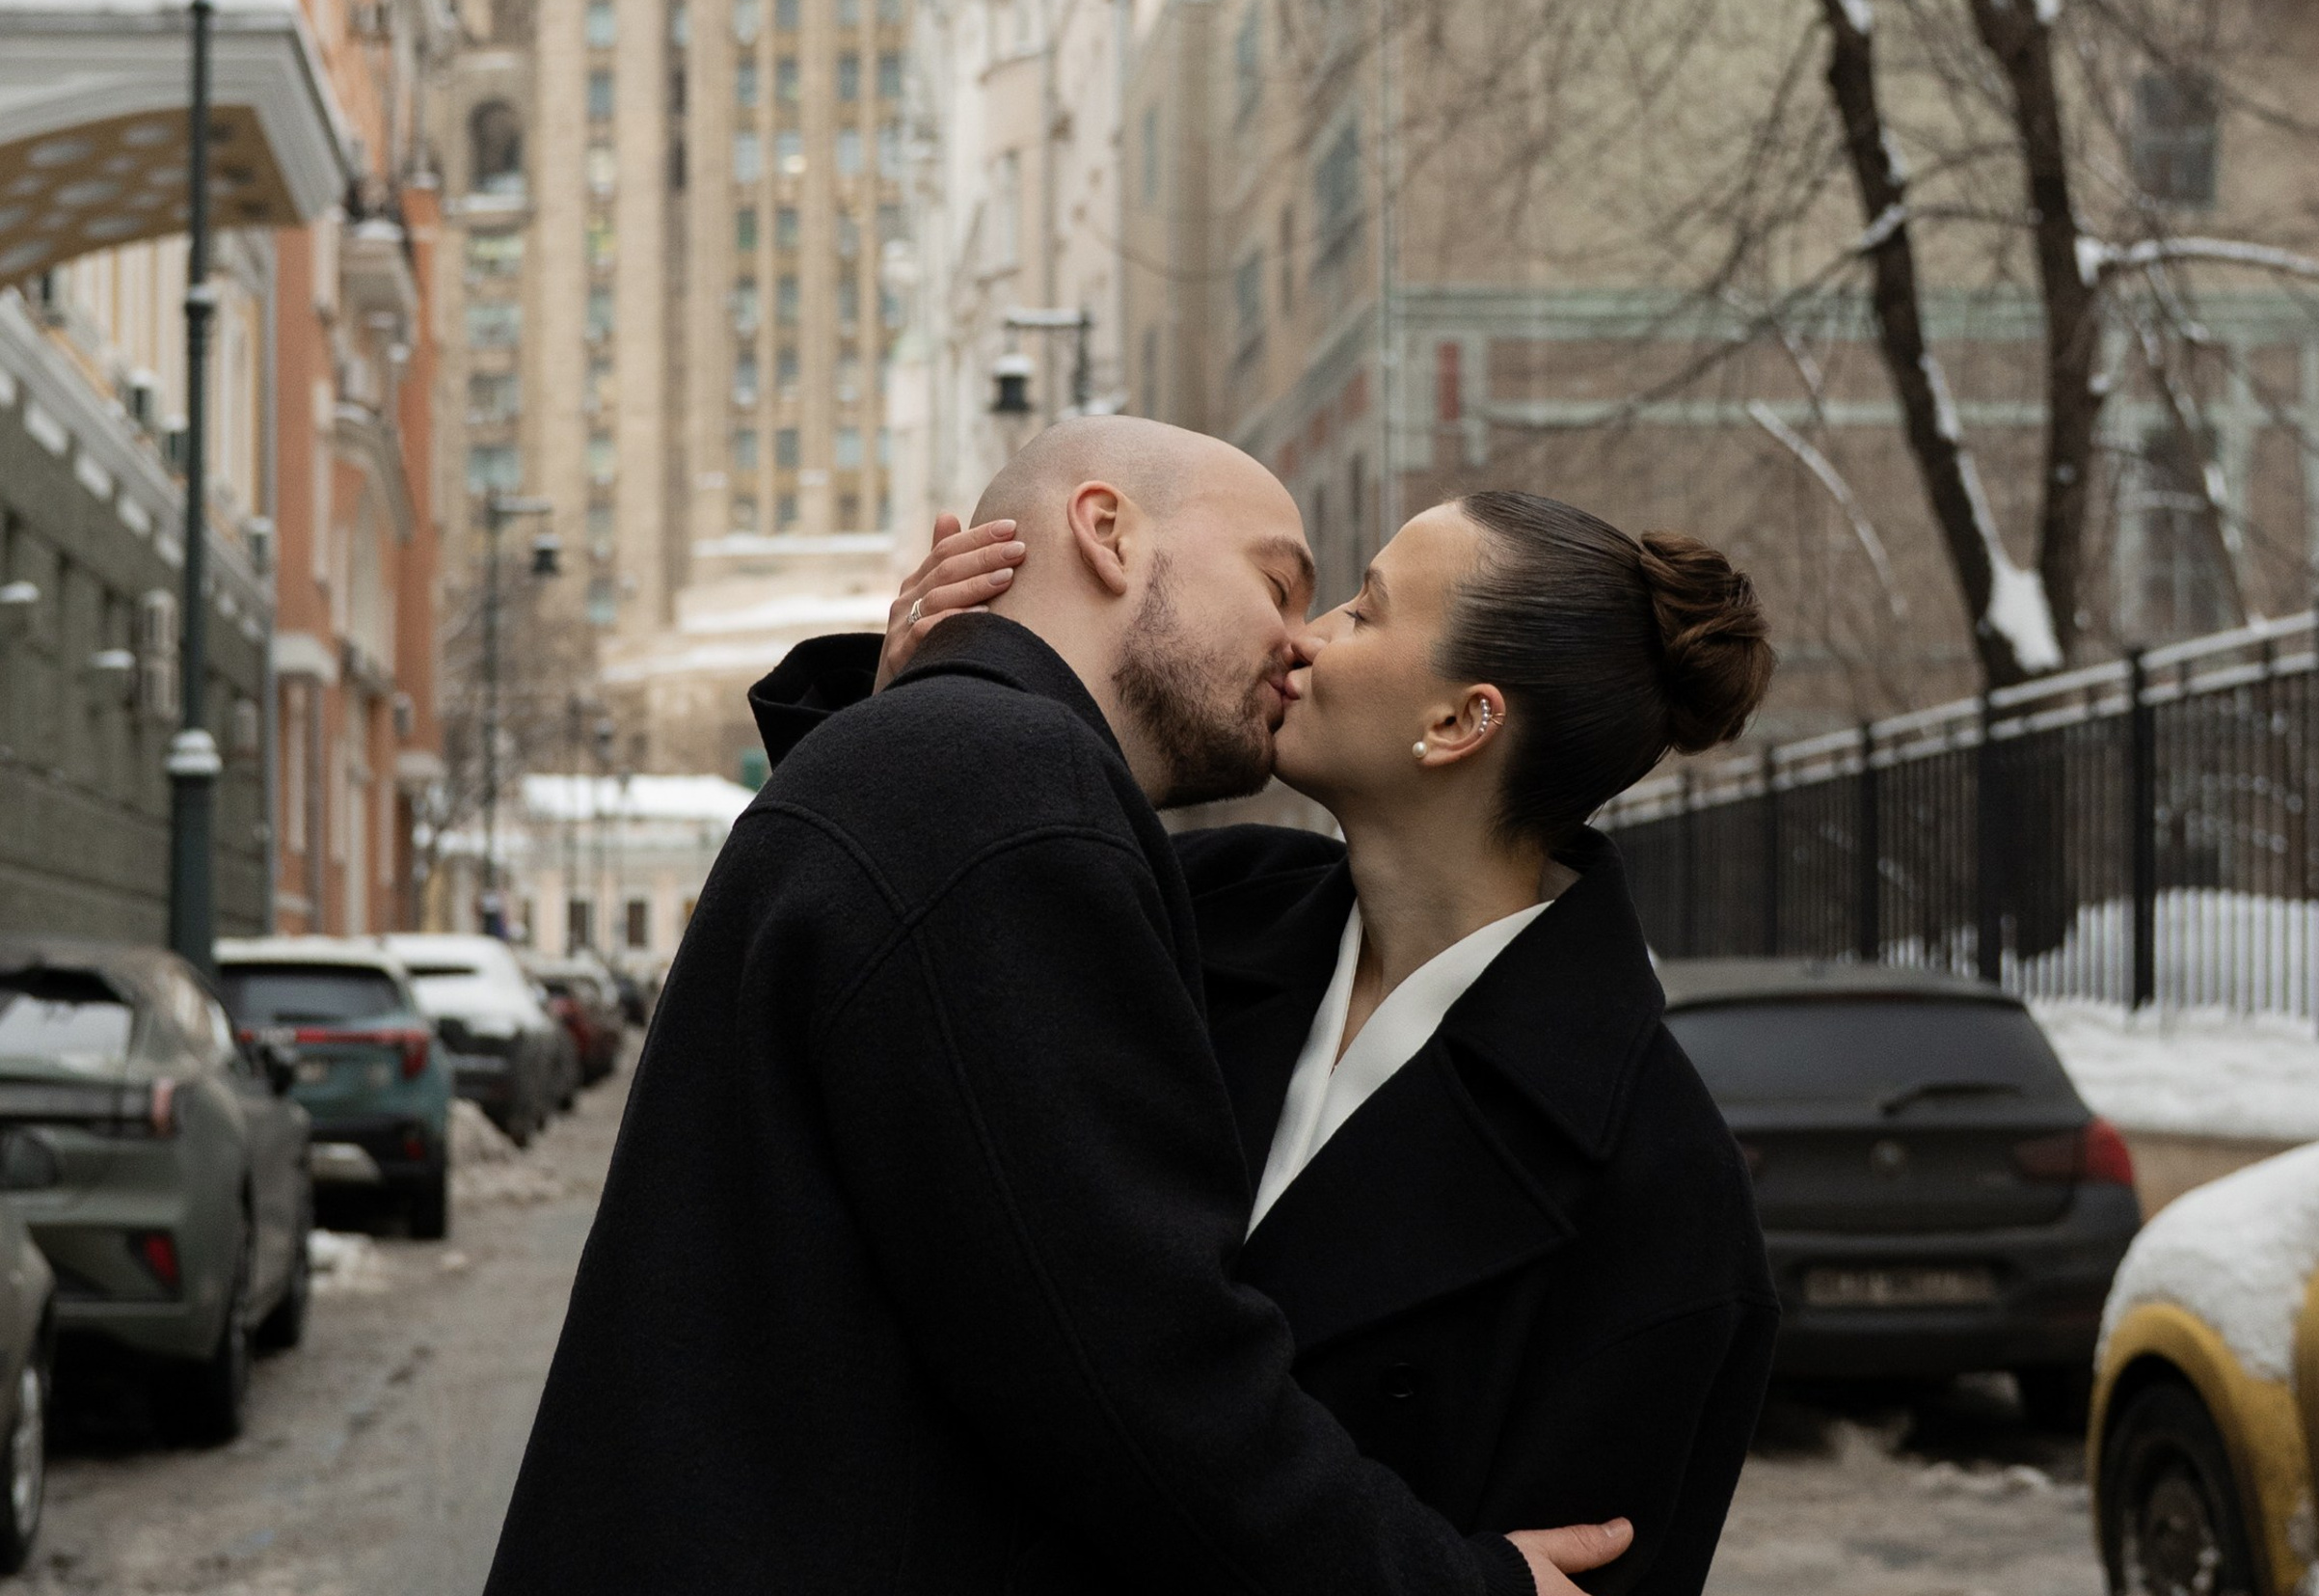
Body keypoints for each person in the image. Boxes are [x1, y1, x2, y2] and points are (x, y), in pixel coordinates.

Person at [484, 417, 1630, 1596]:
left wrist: (905, 711)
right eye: (1278, 582)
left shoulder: (956, 774)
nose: (1298, 640)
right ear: (1108, 532)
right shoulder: (1008, 787)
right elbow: (1135, 1373)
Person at [761, 488, 1782, 1596]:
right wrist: (903, 719)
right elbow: (904, 1000)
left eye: (1363, 609)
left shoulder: (1659, 1187)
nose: (1302, 637)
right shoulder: (1200, 906)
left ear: (1459, 721)